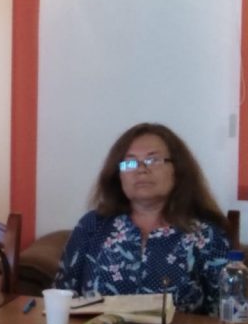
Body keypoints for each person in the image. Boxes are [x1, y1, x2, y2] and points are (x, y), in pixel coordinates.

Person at [54, 122, 230, 314]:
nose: (141, 169)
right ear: (118, 175)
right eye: (130, 163)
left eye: (153, 160)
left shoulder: (206, 235)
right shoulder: (93, 225)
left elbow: (228, 314)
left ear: (178, 170)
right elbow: (61, 298)